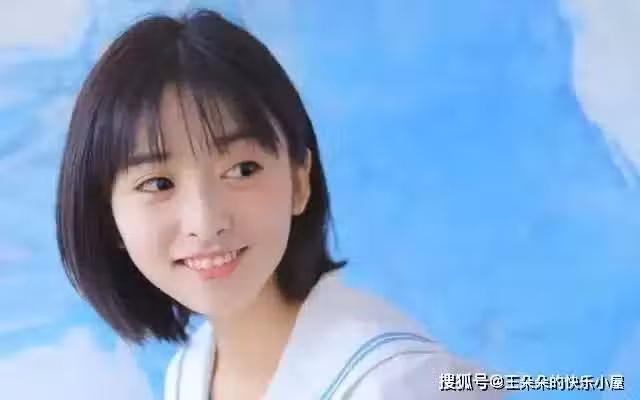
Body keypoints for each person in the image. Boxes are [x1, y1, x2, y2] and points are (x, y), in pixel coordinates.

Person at [55, 9, 502, 399]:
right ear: (108, 218)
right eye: (158, 183)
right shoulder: (189, 372)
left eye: (242, 170)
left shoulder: (397, 382)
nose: (206, 222)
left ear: (299, 181)